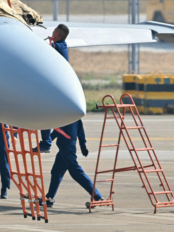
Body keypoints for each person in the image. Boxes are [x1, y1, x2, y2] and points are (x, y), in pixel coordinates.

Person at [44, 120, 103, 208]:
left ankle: (97, 195)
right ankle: (49, 198)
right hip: (66, 148)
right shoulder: (76, 116)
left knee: (76, 172)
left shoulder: (66, 116)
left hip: (67, 148)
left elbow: (58, 130)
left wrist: (46, 142)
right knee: (56, 172)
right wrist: (83, 146)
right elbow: (80, 131)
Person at [37, 24, 70, 153]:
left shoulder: (56, 47)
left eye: (54, 32)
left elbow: (41, 52)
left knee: (44, 114)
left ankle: (46, 143)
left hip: (54, 89)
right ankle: (47, 141)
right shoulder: (62, 46)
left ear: (57, 34)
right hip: (59, 88)